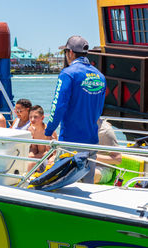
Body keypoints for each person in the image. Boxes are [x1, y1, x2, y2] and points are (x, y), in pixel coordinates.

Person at [44, 35, 106, 183]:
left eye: (65, 52)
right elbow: (99, 110)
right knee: (87, 185)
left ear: (70, 52)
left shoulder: (68, 73)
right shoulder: (100, 76)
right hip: (91, 139)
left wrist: (48, 131)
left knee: (63, 184)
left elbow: (58, 106)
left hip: (71, 140)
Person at [27, 105, 57, 171]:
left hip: (49, 158)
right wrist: (31, 154)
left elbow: (51, 152)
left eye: (35, 117)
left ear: (42, 118)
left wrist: (34, 157)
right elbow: (33, 148)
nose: (32, 119)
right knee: (28, 161)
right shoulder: (31, 130)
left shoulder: (48, 131)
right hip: (38, 157)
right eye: (30, 117)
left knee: (31, 163)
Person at [94, 119, 122, 184]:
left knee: (89, 174)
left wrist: (91, 156)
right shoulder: (74, 124)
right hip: (81, 164)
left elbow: (117, 159)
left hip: (102, 168)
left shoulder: (106, 130)